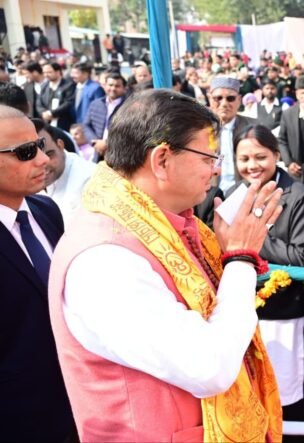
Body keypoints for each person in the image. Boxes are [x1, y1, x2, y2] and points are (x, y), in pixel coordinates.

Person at [47, 89, 284, 441]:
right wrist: (240, 257)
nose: (217, 169)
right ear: (161, 160)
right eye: (209, 157)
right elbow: (209, 367)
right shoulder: (104, 261)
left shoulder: (162, 225)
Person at [231, 125, 304, 443]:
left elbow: (300, 255)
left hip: (283, 312)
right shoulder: (235, 193)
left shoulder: (298, 193)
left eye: (260, 157)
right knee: (248, 395)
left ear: (276, 155)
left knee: (285, 397)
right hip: (242, 312)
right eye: (244, 159)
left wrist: (252, 236)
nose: (252, 166)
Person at [0, 106, 76, 441]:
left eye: (40, 146)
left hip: (75, 405)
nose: (44, 160)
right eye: (25, 152)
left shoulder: (46, 210)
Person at [34, 119, 95, 226]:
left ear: (60, 146)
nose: (43, 164)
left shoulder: (90, 180)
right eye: (33, 159)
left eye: (49, 154)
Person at [209, 76, 257, 193]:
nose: (224, 104)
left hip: (245, 191)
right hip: (208, 193)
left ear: (239, 100)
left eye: (230, 98)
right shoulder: (199, 129)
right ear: (210, 99)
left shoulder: (253, 127)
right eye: (218, 98)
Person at [82, 73, 128, 162]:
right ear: (104, 86)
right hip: (97, 152)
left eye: (117, 86)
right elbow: (86, 125)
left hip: (119, 154)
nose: (113, 88)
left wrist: (106, 143)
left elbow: (128, 131)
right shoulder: (95, 104)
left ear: (124, 88)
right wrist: (94, 142)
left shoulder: (129, 106)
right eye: (110, 85)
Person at [36, 62, 76, 131]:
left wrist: (52, 113)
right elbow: (39, 102)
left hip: (63, 122)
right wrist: (44, 113)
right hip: (47, 122)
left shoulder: (69, 85)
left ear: (58, 72)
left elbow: (68, 102)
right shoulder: (44, 86)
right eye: (44, 72)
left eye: (49, 72)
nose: (46, 75)